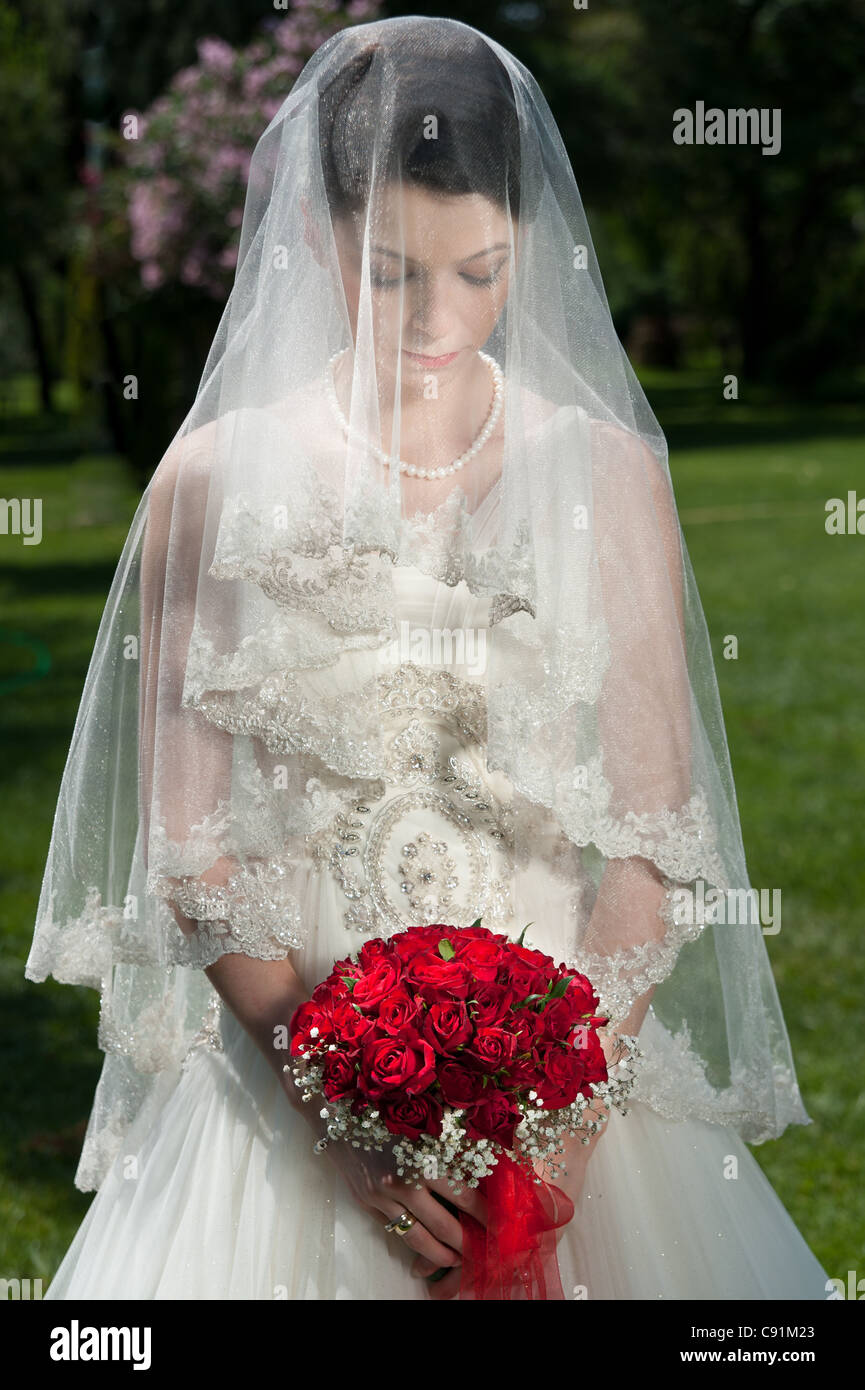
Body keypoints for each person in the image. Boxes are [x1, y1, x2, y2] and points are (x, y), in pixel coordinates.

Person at [28, 15, 830, 1300]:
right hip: (295, 1084)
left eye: (482, 269)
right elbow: (192, 846)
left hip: (575, 1086)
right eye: (391, 270)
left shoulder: (603, 475)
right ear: (310, 234)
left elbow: (653, 838)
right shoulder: (214, 481)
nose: (438, 317)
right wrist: (342, 1115)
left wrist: (550, 1140)